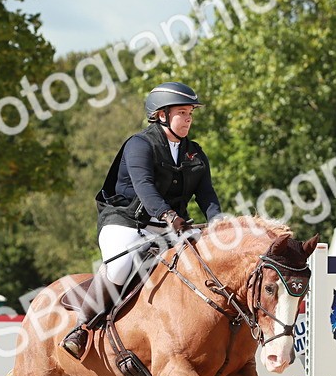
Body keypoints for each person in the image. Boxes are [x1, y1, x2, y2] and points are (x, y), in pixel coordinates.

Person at [61, 81, 223, 358]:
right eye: (182, 113)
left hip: (169, 229)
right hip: (126, 223)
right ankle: (82, 327)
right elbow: (144, 185)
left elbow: (206, 194)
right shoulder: (139, 145)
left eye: (190, 114)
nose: (188, 119)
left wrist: (220, 224)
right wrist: (169, 214)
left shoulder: (194, 152)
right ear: (162, 115)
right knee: (121, 266)